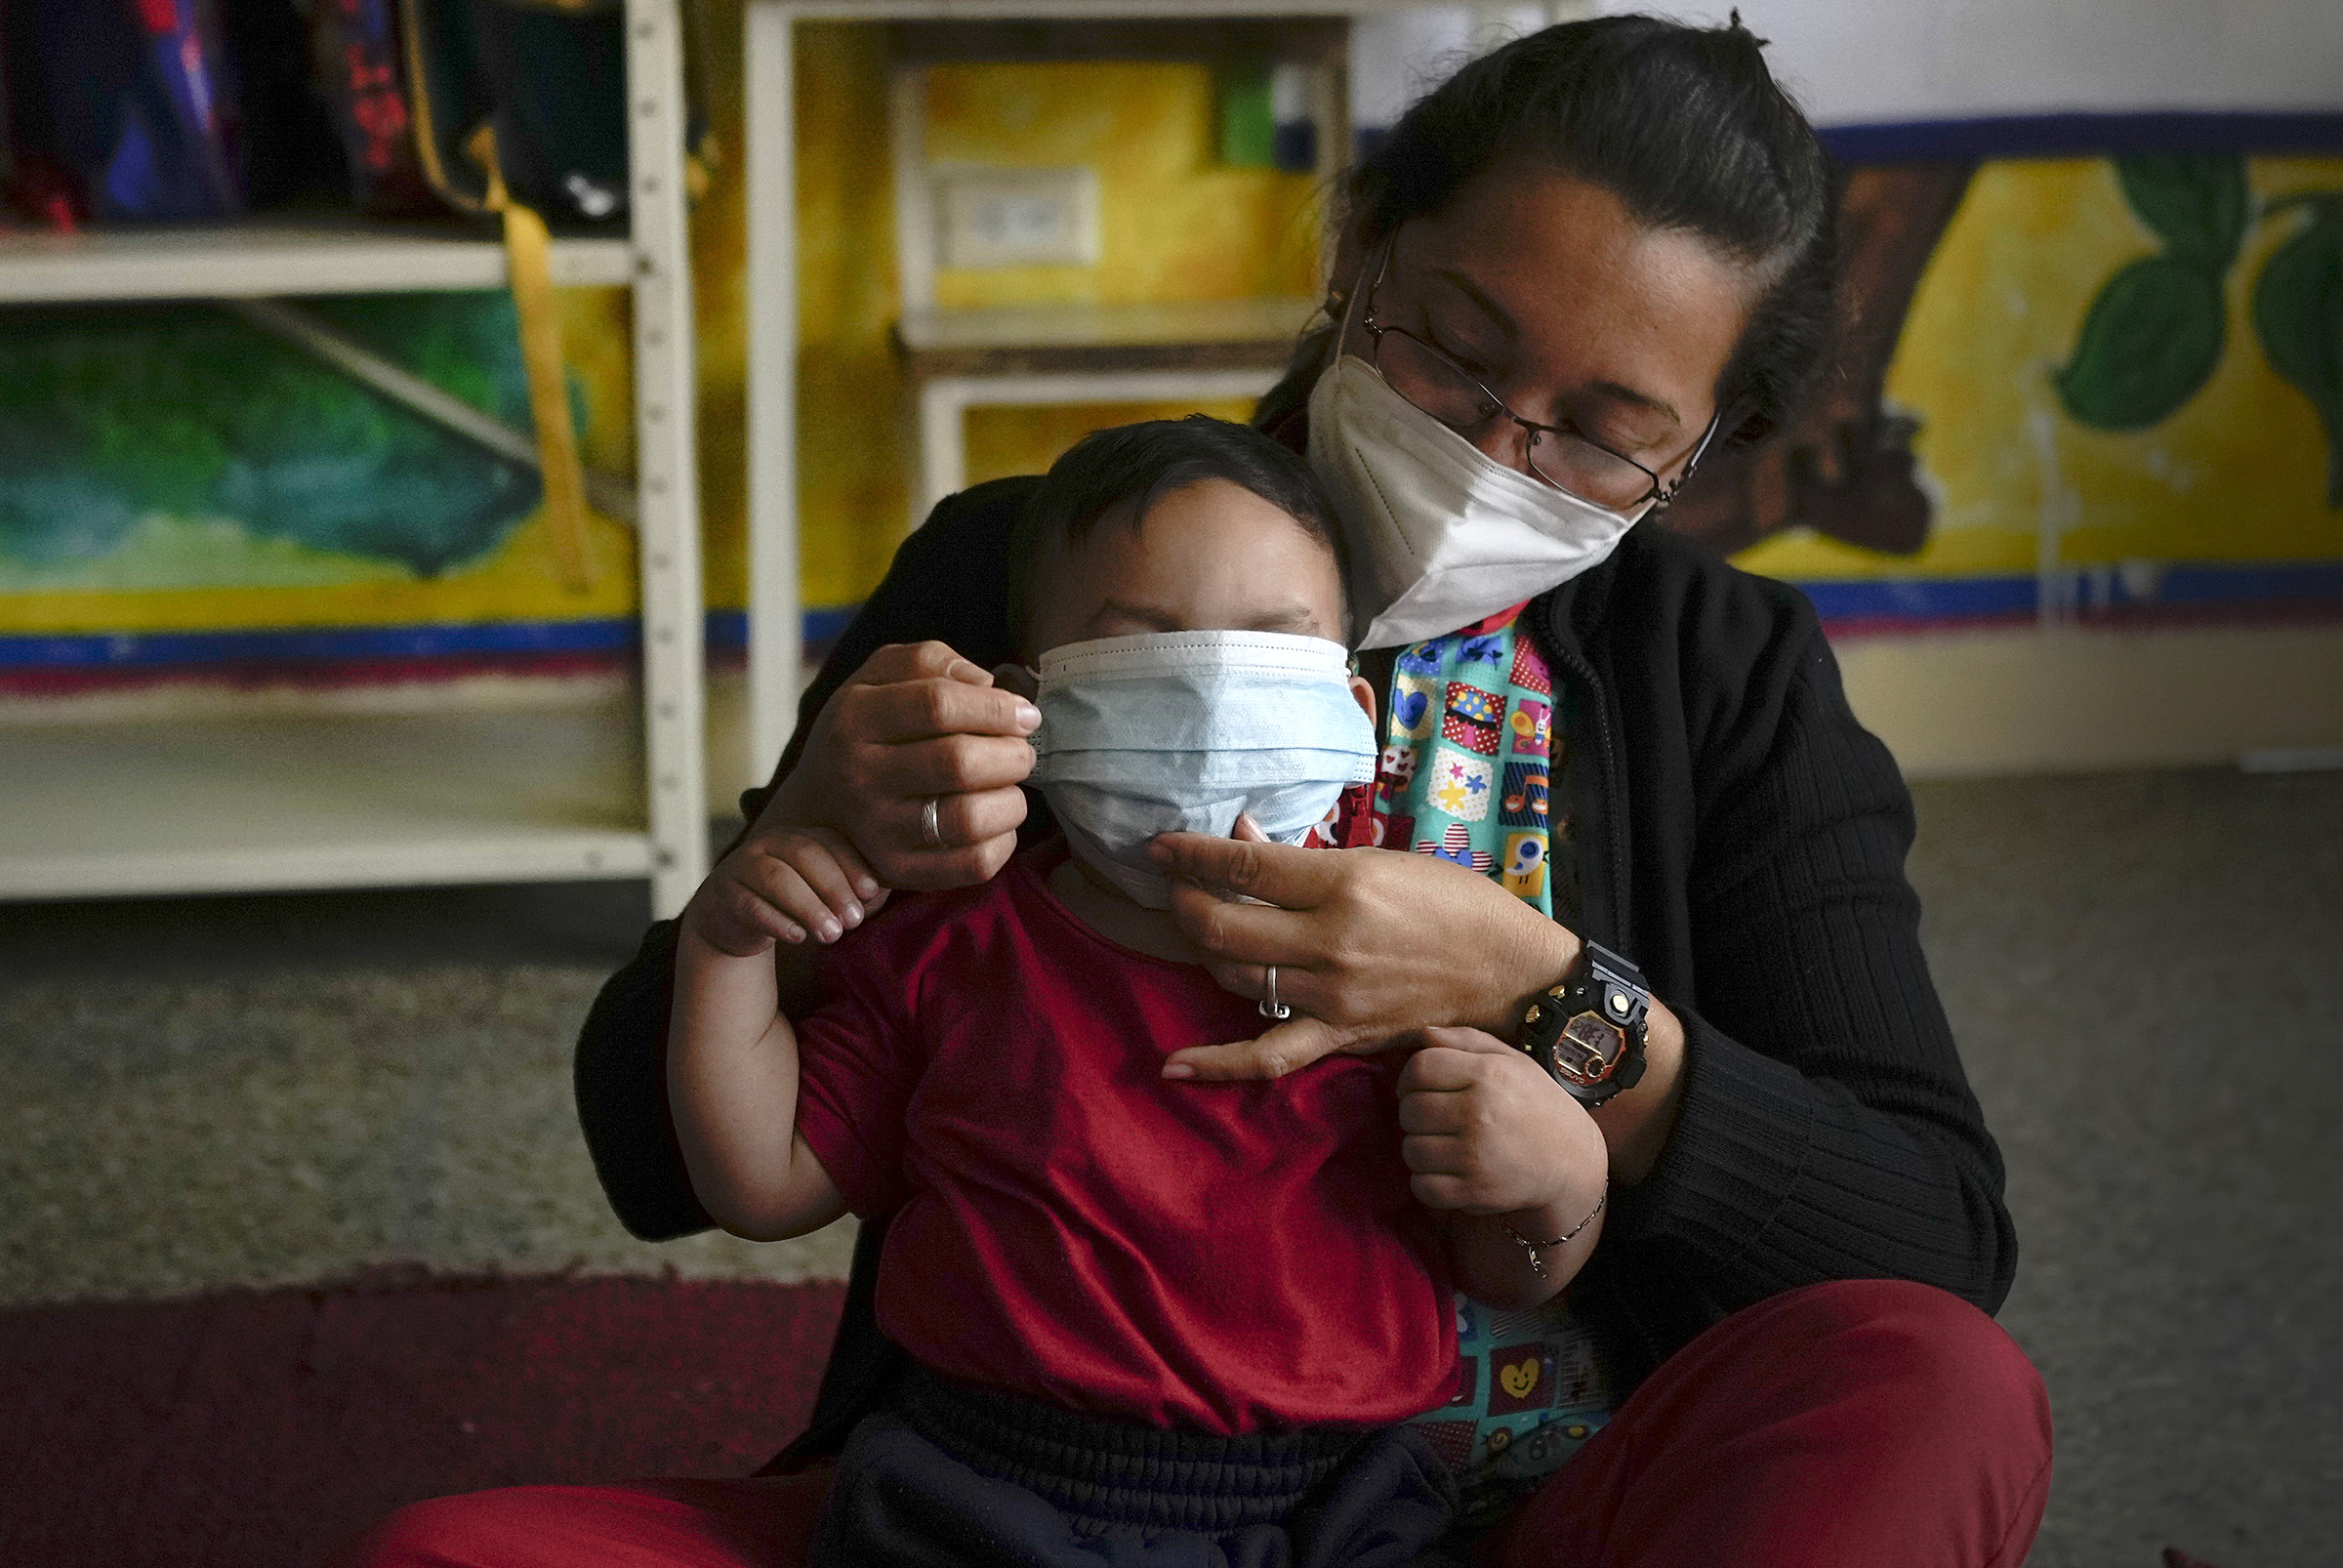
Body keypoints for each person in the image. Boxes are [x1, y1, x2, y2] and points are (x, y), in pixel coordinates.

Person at [344, 16, 2051, 1568]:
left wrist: (1545, 995)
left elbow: (1929, 1244)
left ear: (1700, 455)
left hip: (1534, 1522)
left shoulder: (1725, 675)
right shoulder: (1033, 573)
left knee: (1934, 1391)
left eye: (1603, 432)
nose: (1496, 452)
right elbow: (648, 1145)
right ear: (1356, 254)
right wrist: (814, 848)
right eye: (1460, 351)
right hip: (1008, 1513)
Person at [668, 415, 1614, 1566]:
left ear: (1354, 717)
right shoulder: (951, 945)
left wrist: (1565, 1183)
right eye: (1147, 645)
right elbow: (764, 1181)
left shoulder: (1410, 968)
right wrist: (723, 943)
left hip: (1341, 1507)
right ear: (1027, 703)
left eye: (1270, 645)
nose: (1213, 704)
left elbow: (1500, 1258)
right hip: (981, 1496)